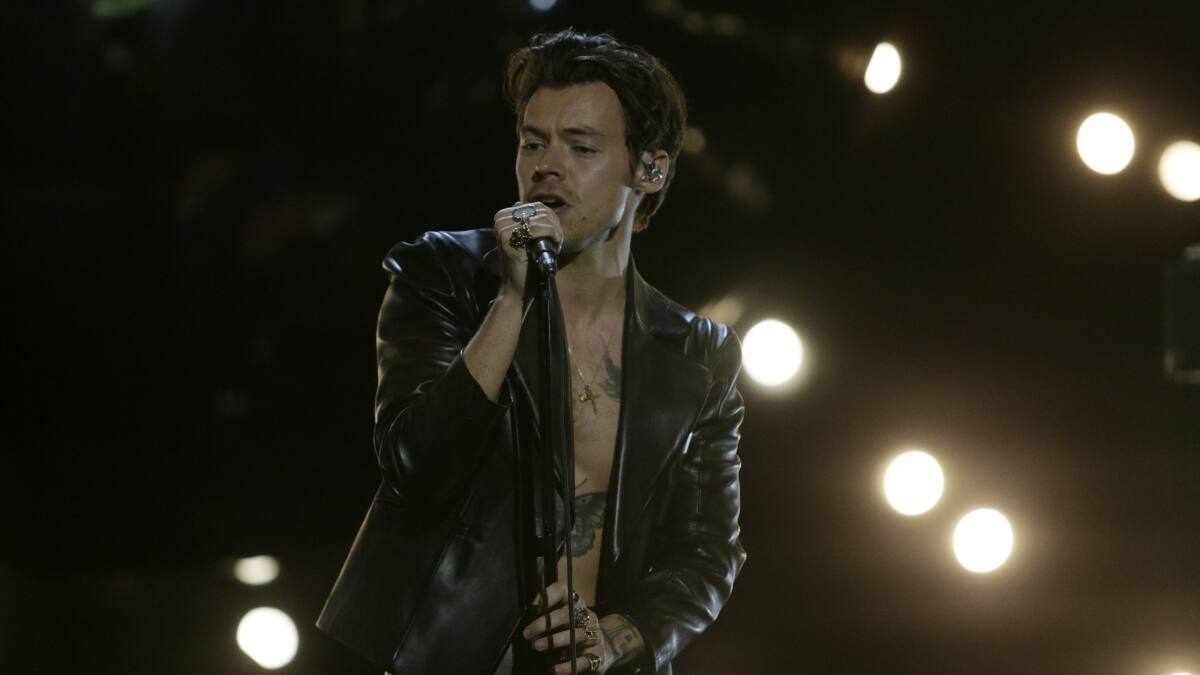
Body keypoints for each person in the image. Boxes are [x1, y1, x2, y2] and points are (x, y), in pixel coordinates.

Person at [316, 29, 746, 675]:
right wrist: (512, 299)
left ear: (650, 169)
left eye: (581, 147)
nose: (548, 165)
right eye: (532, 142)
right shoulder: (445, 275)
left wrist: (622, 635)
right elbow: (414, 462)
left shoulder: (697, 353)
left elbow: (708, 550)